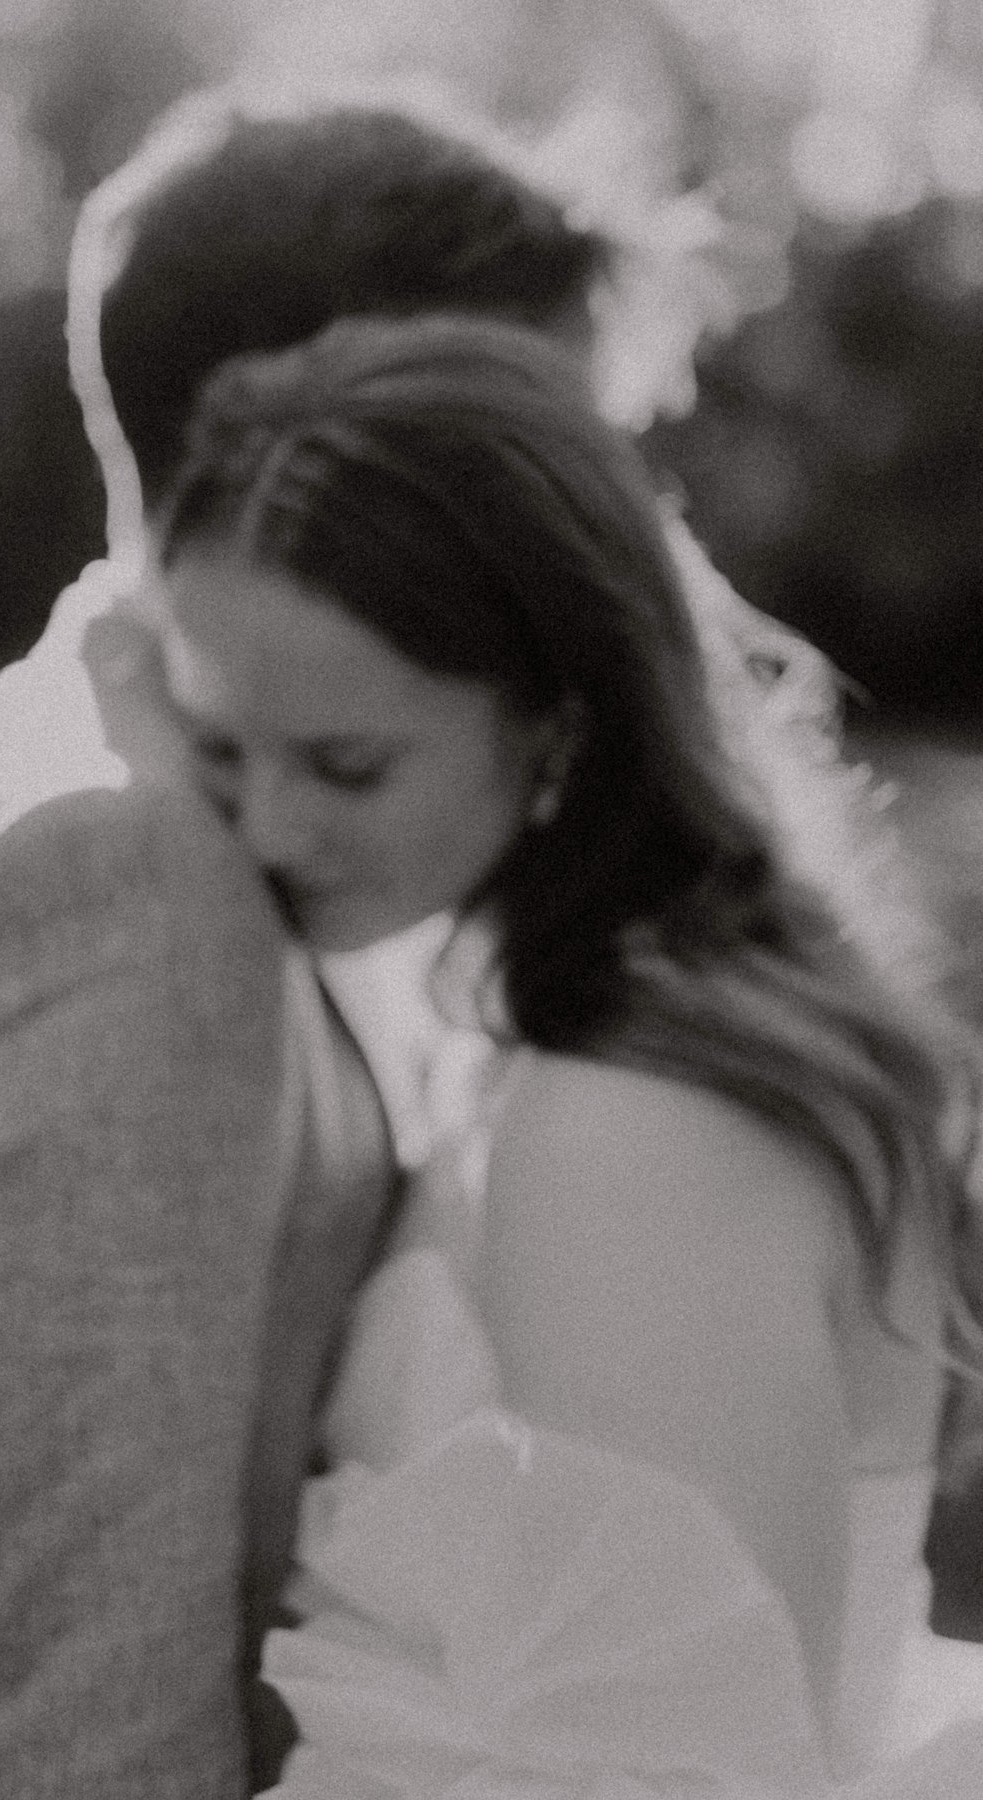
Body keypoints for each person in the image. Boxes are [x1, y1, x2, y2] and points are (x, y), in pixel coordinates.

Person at [0, 76, 824, 1798]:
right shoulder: (121, 884)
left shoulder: (176, 805)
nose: (592, 525)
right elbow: (63, 1744)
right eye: (518, 438)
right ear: (327, 429)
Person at [126, 307, 983, 1796]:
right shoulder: (563, 1029)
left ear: (559, 733)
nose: (264, 828)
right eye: (221, 748)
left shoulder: (636, 1125)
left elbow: (680, 1773)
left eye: (346, 765)